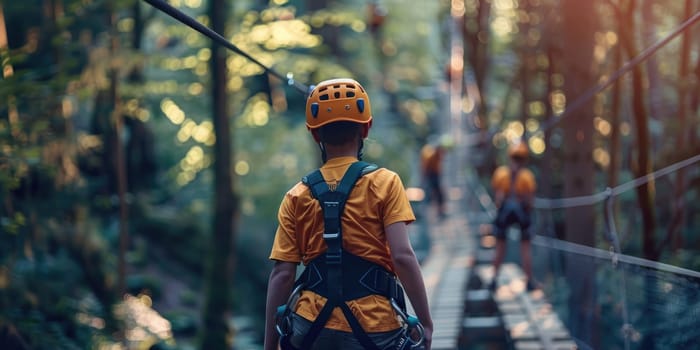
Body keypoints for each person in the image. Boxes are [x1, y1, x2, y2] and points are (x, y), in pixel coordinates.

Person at [264, 78, 433, 350]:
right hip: (375, 327)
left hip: (310, 327)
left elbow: (283, 274)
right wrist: (426, 322)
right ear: (366, 128)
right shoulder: (385, 183)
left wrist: (269, 346)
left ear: (315, 134)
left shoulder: (296, 195)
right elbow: (402, 256)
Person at [489, 141, 537, 292]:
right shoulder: (527, 177)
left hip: (504, 213)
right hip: (522, 213)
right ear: (524, 159)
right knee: (525, 247)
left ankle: (494, 279)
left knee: (500, 247)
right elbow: (530, 202)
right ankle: (529, 281)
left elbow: (498, 199)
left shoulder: (501, 174)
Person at [420, 139, 447, 219]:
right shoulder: (432, 156)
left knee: (438, 194)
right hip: (432, 176)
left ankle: (439, 212)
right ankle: (432, 214)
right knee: (435, 194)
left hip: (434, 175)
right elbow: (426, 168)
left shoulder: (435, 155)